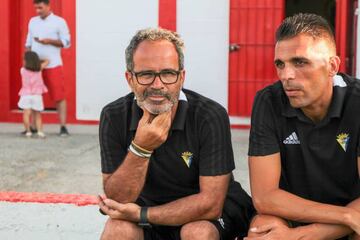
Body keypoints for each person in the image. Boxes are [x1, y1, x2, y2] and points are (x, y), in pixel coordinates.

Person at [98, 28, 254, 240]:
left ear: (181, 77)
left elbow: (210, 205)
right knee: (117, 231)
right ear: (130, 78)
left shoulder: (209, 115)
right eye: (146, 74)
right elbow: (117, 199)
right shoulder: (114, 115)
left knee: (196, 233)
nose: (157, 85)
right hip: (146, 210)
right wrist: (141, 148)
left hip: (205, 216)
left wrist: (143, 214)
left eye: (168, 73)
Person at [246, 13, 360, 240]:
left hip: (350, 215)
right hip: (297, 214)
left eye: (300, 62)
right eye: (280, 64)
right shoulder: (268, 101)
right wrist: (345, 217)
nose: (286, 75)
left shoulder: (357, 102)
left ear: (332, 66)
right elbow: (264, 197)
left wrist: (301, 236)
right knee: (262, 229)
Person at [25, 0, 71, 137]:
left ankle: (63, 127)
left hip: (53, 64)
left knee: (59, 96)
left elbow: (67, 42)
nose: (38, 10)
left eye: (40, 7)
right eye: (36, 8)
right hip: (34, 66)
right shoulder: (32, 21)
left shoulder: (59, 22)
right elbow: (28, 43)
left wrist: (48, 41)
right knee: (33, 95)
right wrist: (27, 62)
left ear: (48, 6)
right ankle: (32, 127)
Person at [18, 51, 49, 138]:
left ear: (26, 61)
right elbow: (47, 61)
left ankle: (28, 131)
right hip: (37, 95)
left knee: (26, 113)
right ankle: (40, 131)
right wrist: (39, 60)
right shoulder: (39, 69)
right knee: (37, 114)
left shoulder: (22, 70)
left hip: (26, 95)